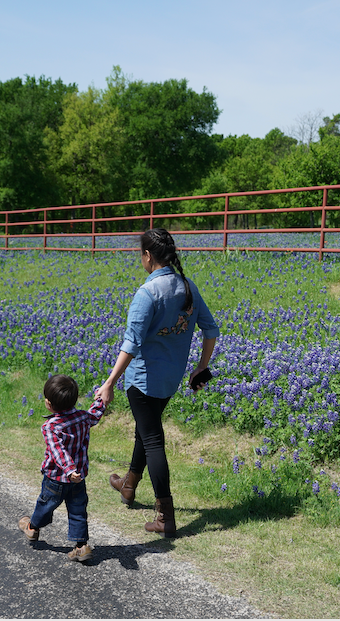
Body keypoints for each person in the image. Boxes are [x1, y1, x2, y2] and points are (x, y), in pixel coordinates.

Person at [94, 228, 219, 538]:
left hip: (142, 380)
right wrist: (200, 369)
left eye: (141, 254)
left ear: (147, 256)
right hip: (171, 378)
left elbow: (131, 344)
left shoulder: (147, 293)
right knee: (145, 430)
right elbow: (211, 331)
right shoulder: (187, 286)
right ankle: (128, 485)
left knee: (152, 440)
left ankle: (165, 515)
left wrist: (109, 382)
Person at [18, 374, 107, 562]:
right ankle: (81, 547)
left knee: (46, 504)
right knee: (78, 510)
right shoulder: (83, 417)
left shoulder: (51, 426)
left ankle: (32, 529)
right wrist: (101, 399)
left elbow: (58, 451)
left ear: (48, 404)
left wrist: (68, 469)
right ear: (75, 399)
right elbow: (96, 413)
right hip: (78, 478)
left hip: (56, 478)